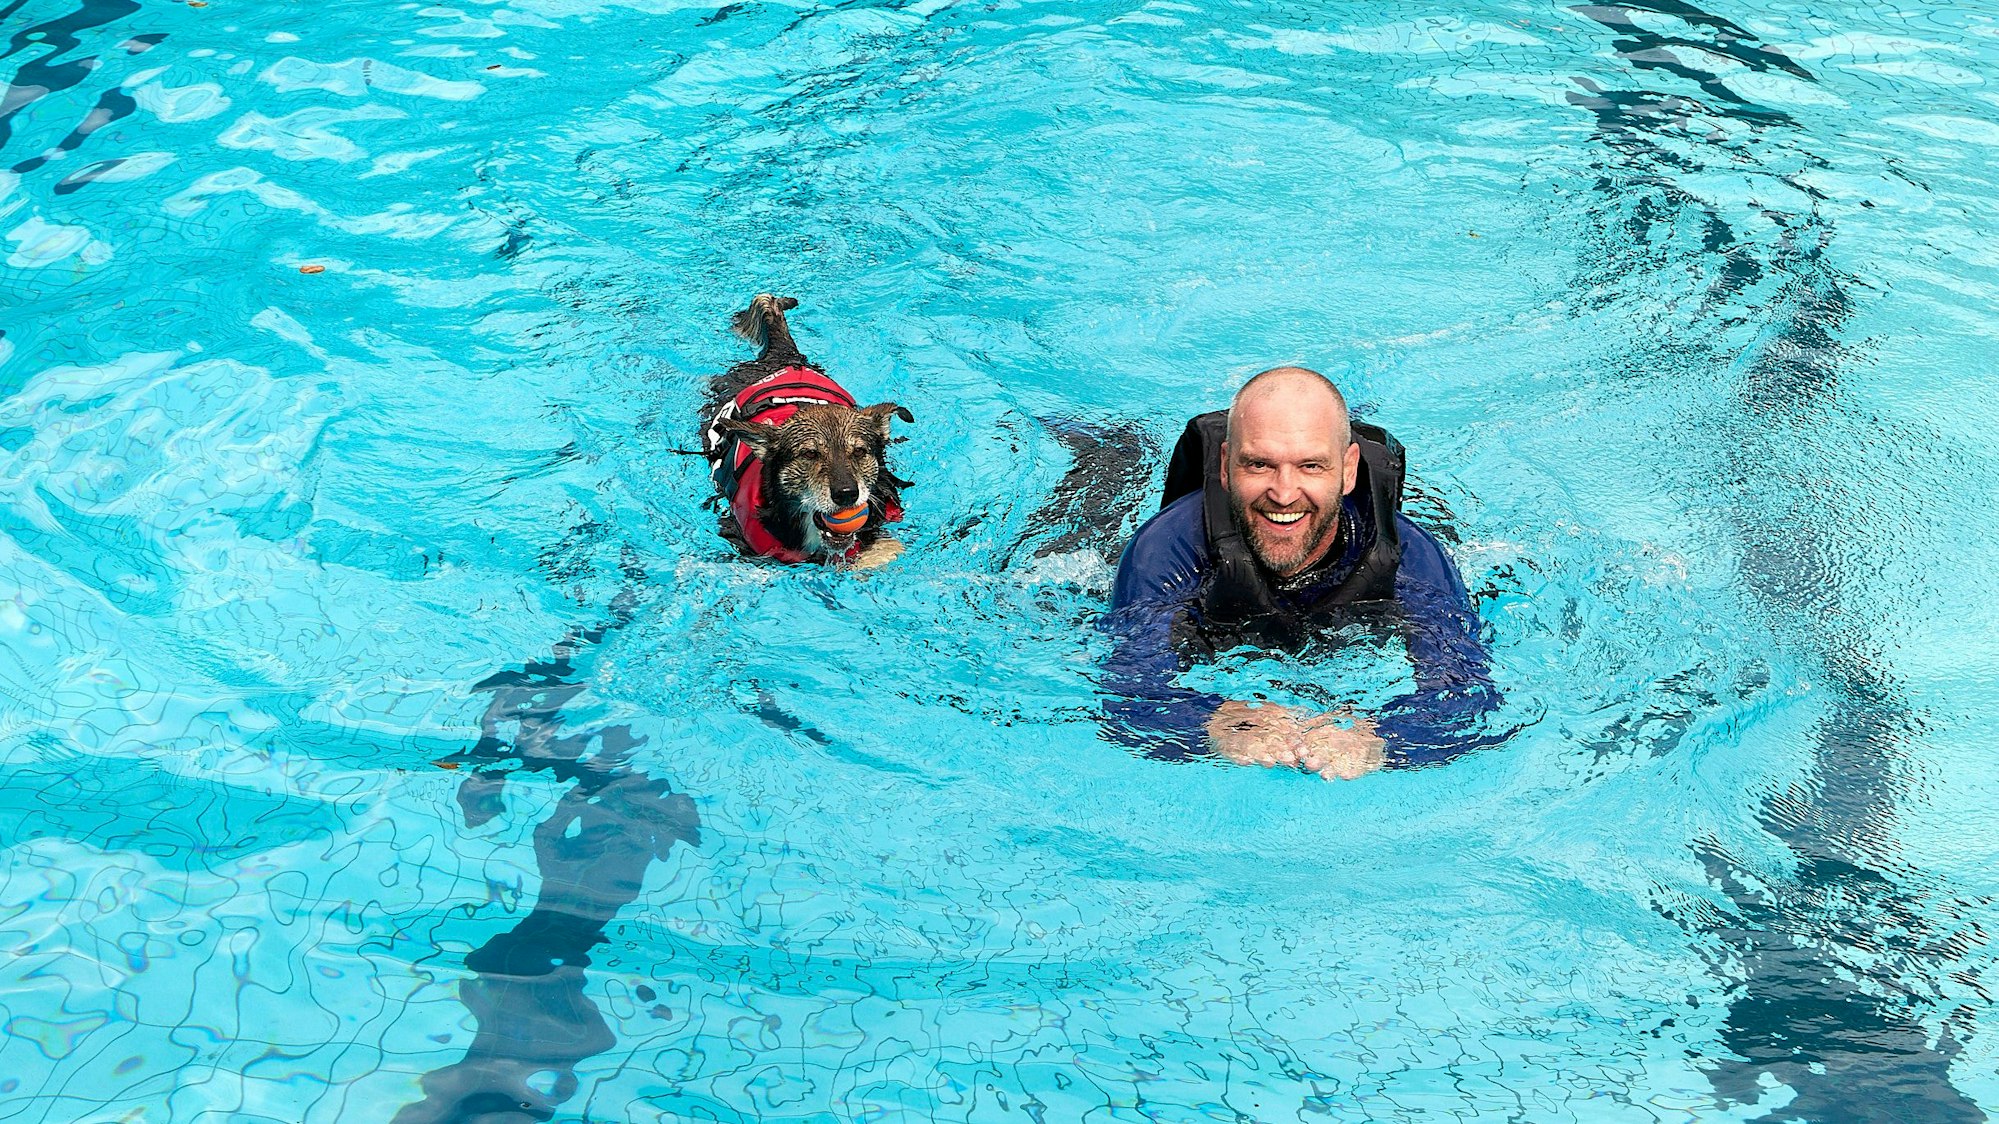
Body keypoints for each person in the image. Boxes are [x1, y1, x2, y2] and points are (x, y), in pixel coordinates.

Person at [1102, 367, 1500, 780]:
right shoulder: (1165, 552)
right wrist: (1212, 723)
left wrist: (1381, 738)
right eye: (1259, 464)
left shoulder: (1414, 560)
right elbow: (1129, 695)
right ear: (1224, 465)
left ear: (1348, 469)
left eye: (1311, 465)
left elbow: (1471, 701)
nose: (1284, 493)